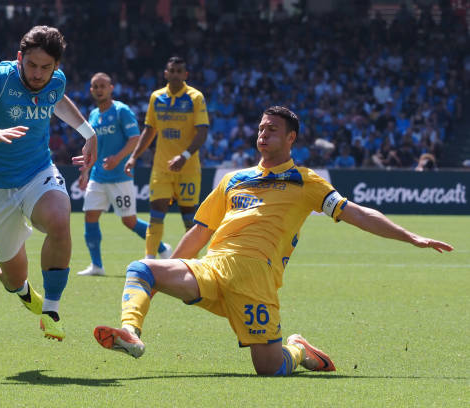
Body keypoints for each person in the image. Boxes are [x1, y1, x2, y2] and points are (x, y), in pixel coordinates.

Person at [93, 106, 453, 375]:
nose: (263, 135)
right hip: (213, 270)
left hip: (257, 282)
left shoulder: (306, 182)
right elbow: (199, 232)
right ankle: (131, 332)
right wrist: (168, 273)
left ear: (291, 138)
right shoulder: (234, 179)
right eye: (261, 129)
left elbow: (356, 212)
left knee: (270, 369)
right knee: (142, 269)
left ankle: (296, 348)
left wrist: (412, 237)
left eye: (273, 130)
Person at [0, 25, 97, 342]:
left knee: (59, 218)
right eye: (32, 65)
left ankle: (51, 310)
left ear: (56, 66)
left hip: (36, 171)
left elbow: (57, 98)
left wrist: (88, 133)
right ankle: (24, 291)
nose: (39, 74)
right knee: (13, 277)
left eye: (47, 67)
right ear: (19, 58)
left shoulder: (55, 80)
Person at [76, 73, 172, 276]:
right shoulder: (93, 115)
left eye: (103, 86)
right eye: (95, 86)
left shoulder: (121, 111)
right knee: (90, 216)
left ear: (111, 88)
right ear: (91, 90)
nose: (99, 89)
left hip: (120, 177)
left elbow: (135, 138)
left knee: (129, 221)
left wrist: (117, 159)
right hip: (98, 176)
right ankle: (97, 266)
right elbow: (93, 147)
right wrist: (85, 171)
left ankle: (163, 248)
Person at [124, 56, 209, 259]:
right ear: (166, 73)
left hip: (187, 168)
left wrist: (185, 155)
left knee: (189, 218)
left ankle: (192, 263)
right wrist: (134, 156)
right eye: (172, 70)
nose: (176, 74)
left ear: (186, 75)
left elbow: (203, 131)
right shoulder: (156, 97)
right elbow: (149, 129)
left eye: (180, 71)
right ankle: (150, 260)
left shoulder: (195, 97)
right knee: (156, 214)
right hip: (161, 168)